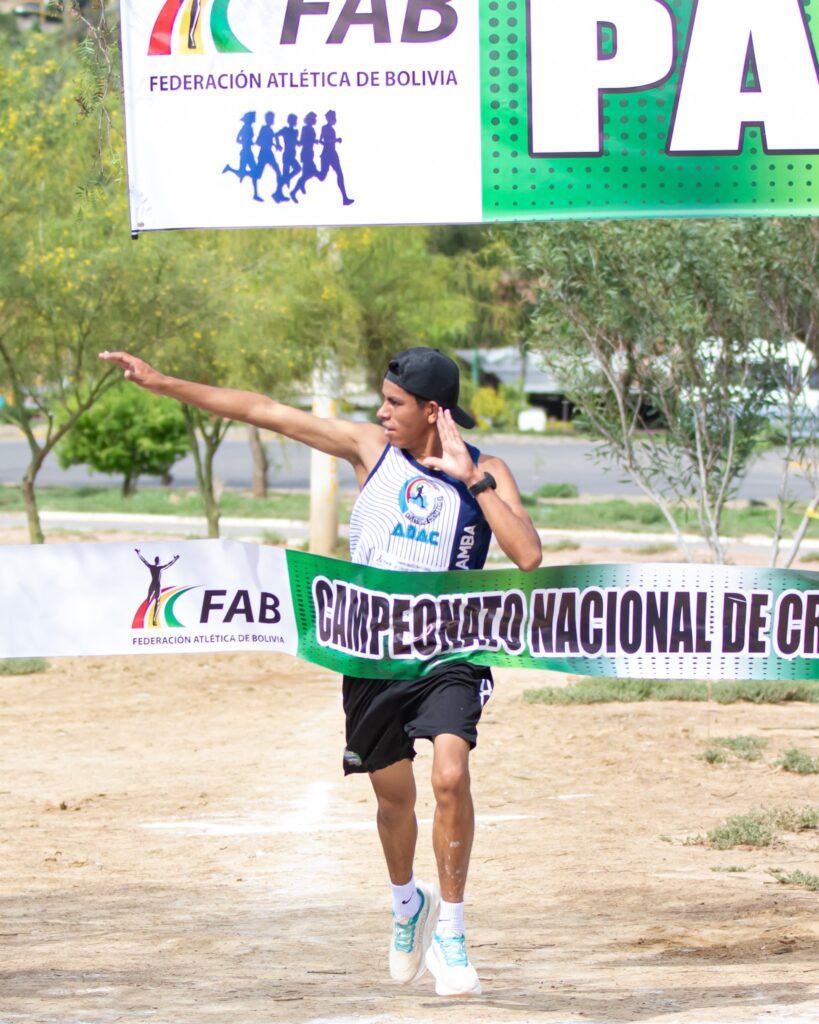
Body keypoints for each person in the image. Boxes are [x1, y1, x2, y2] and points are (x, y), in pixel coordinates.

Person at [99, 346, 542, 997]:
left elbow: (527, 554)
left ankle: (451, 930)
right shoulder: (371, 450)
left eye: (394, 403)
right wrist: (161, 382)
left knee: (451, 772)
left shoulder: (487, 468)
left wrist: (468, 476)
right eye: (381, 400)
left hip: (451, 648)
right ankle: (405, 906)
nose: (381, 412)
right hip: (368, 652)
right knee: (394, 798)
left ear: (432, 410)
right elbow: (265, 411)